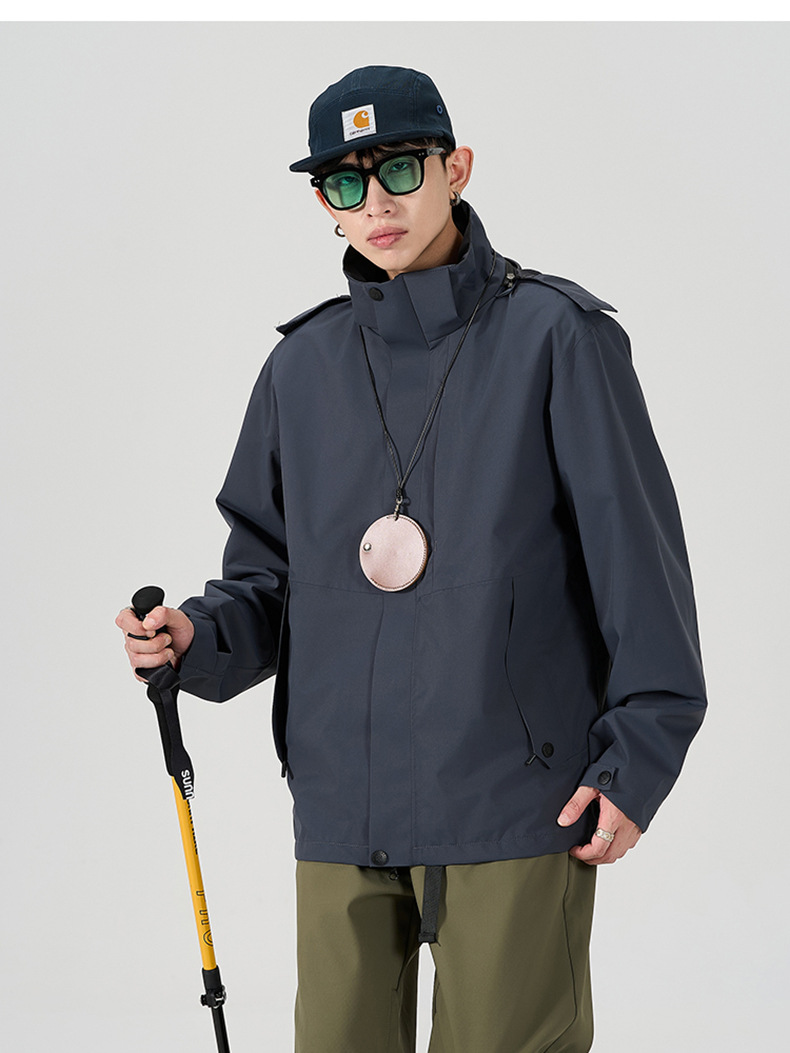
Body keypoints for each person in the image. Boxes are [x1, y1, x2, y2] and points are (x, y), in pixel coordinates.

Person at [117, 66, 707, 1053]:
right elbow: (266, 582)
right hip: (343, 806)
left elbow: (639, 574)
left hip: (515, 799)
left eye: (397, 168)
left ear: (455, 168)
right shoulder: (300, 369)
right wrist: (195, 636)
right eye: (344, 183)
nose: (375, 203)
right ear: (323, 202)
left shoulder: (559, 339)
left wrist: (635, 763)